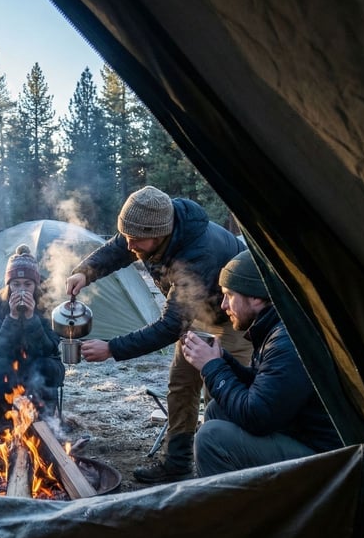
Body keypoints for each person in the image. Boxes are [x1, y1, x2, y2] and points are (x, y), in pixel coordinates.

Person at [65, 185, 253, 483]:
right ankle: (177, 464)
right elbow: (118, 247)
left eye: (136, 240)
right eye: (128, 236)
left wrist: (112, 349)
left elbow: (169, 327)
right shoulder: (150, 230)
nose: (130, 245)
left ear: (159, 233)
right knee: (181, 385)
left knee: (221, 391)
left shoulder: (195, 255)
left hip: (237, 319)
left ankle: (226, 472)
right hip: (197, 313)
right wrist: (84, 272)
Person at [181, 250, 343, 474]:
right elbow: (267, 390)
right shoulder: (276, 325)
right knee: (218, 410)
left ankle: (230, 507)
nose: (223, 306)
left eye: (229, 295)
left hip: (326, 457)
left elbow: (258, 416)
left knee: (211, 439)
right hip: (300, 431)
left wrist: (212, 367)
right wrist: (222, 360)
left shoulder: (287, 341)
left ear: (255, 296)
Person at [0, 245, 65, 436]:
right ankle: (3, 429)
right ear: (8, 285)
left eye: (27, 284)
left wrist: (31, 319)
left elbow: (50, 347)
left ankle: (45, 426)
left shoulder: (48, 302)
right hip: (8, 361)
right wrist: (11, 317)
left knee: (46, 367)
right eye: (16, 284)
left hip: (43, 360)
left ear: (36, 285)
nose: (21, 290)